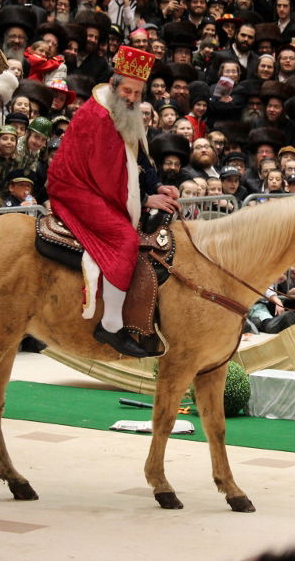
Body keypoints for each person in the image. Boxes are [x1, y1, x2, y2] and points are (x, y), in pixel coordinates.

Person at [46, 46, 180, 357]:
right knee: (124, 240)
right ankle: (109, 326)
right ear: (113, 84)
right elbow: (107, 175)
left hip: (100, 184)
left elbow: (137, 156)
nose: (132, 97)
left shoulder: (126, 110)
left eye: (137, 92)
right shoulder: (98, 115)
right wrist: (147, 200)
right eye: (127, 90)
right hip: (76, 188)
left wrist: (158, 186)